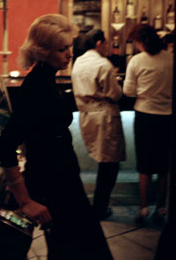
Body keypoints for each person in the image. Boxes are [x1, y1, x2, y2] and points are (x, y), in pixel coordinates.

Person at [0, 14, 113, 260]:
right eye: (62, 49)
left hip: (64, 181)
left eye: (69, 46)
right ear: (42, 51)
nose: (69, 54)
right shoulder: (37, 86)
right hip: (55, 188)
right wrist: (25, 200)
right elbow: (5, 144)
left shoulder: (45, 78)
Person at [71, 29, 126, 221]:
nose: (109, 47)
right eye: (106, 43)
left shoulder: (78, 61)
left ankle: (95, 206)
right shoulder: (103, 64)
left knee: (102, 161)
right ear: (98, 43)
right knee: (110, 164)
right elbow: (115, 94)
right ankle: (99, 208)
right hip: (105, 117)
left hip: (86, 116)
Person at [123, 23, 173, 225]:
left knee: (145, 165)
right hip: (167, 116)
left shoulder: (136, 61)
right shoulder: (171, 59)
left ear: (141, 41)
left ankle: (142, 209)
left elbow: (128, 91)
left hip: (145, 115)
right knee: (163, 166)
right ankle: (161, 208)